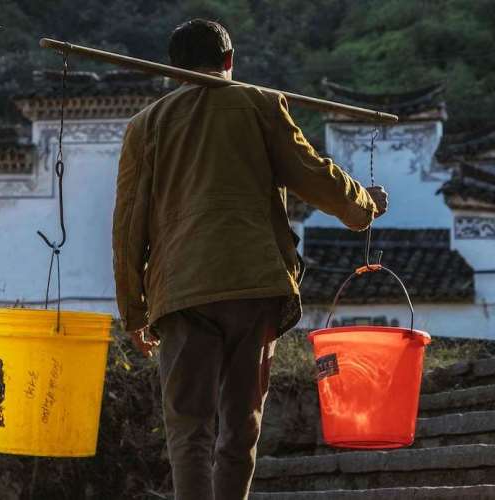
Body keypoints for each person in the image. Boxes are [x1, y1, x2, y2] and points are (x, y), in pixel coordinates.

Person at [112, 18, 388, 500]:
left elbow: (127, 224)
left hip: (181, 291)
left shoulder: (145, 127)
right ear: (229, 62)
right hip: (254, 286)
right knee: (241, 427)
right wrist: (362, 205)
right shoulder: (260, 103)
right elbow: (313, 173)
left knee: (189, 429)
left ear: (172, 71)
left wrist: (133, 310)